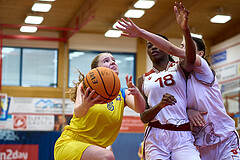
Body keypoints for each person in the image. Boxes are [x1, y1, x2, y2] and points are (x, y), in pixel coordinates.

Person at [118, 2, 240, 160]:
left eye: (185, 46)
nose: (182, 50)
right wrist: (187, 110)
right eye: (181, 46)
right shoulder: (165, 77)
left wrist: (184, 29)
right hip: (199, 140)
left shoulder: (196, 69)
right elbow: (174, 106)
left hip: (221, 137)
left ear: (200, 53)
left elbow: (175, 51)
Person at [118, 2, 201, 160]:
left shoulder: (180, 67)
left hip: (182, 133)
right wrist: (160, 106)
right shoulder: (143, 79)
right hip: (156, 133)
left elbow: (191, 57)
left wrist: (185, 29)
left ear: (166, 47)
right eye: (149, 46)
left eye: (156, 44)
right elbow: (143, 117)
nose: (153, 47)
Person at [54, 52, 145, 160]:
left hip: (96, 149)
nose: (112, 62)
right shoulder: (85, 87)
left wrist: (136, 93)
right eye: (106, 61)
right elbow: (78, 112)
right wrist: (85, 106)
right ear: (95, 70)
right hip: (71, 143)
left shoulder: (123, 93)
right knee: (107, 156)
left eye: (113, 60)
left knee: (106, 155)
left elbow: (140, 108)